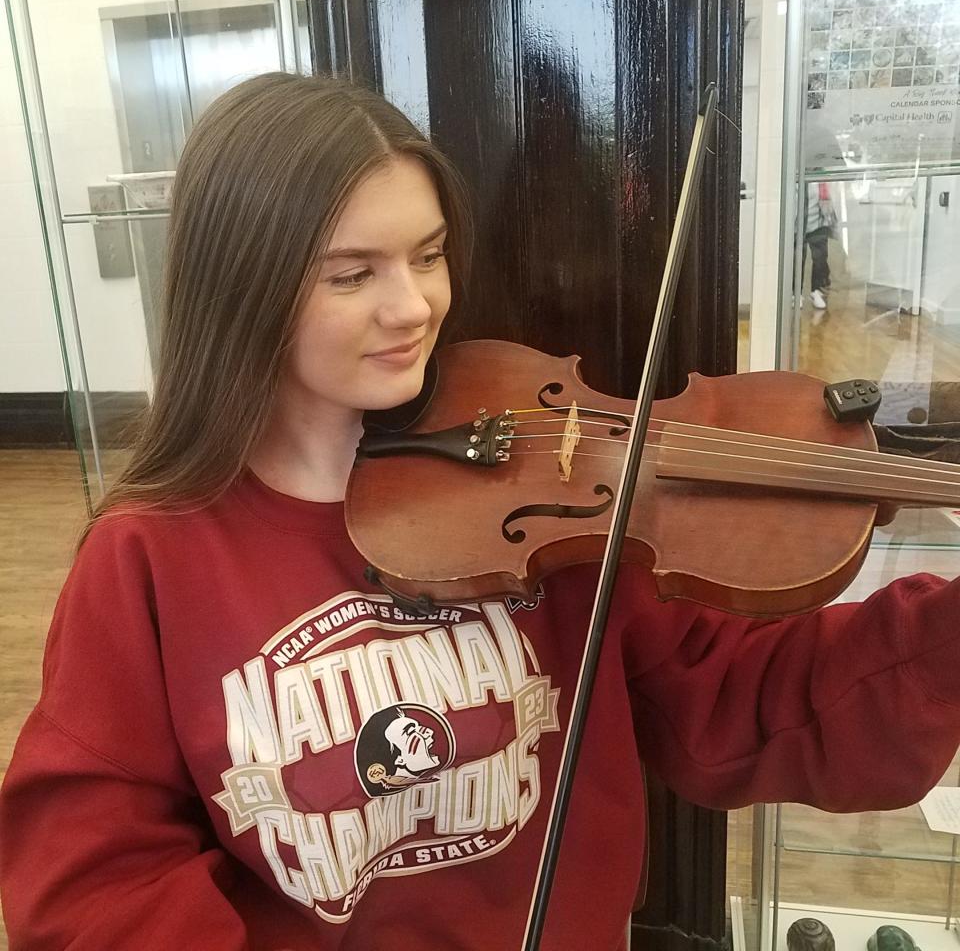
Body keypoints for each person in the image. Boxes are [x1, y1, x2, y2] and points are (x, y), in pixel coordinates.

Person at [2, 71, 960, 951]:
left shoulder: (550, 485)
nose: (414, 305)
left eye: (428, 256)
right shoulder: (150, 556)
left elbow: (736, 700)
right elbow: (95, 879)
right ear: (240, 285)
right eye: (353, 273)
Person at [804, 180, 837, 318]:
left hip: (819, 224)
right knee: (797, 257)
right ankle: (795, 293)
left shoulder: (821, 177)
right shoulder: (795, 173)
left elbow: (827, 199)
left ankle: (816, 290)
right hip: (797, 223)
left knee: (820, 258)